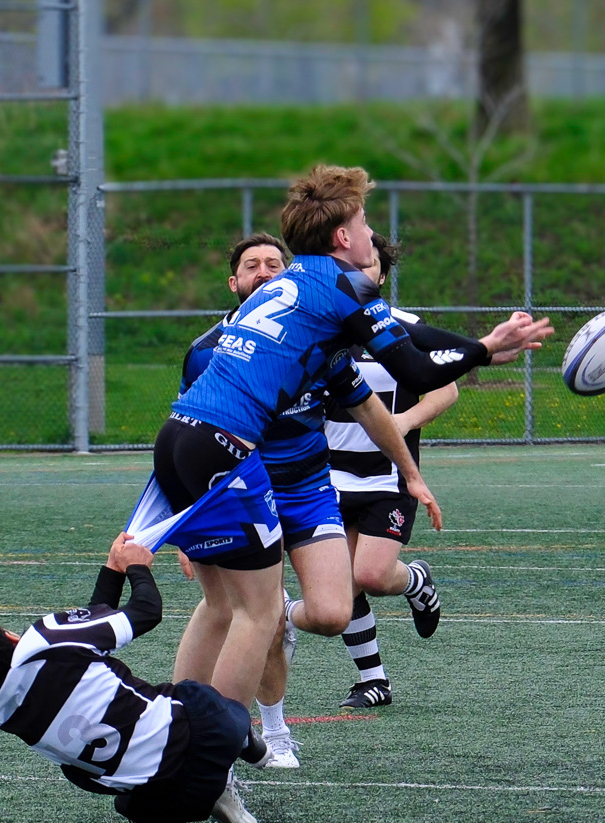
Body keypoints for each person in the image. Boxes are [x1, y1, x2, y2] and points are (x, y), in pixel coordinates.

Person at [157, 165, 547, 729]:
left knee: (236, 606)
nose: (370, 234)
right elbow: (412, 362)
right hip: (232, 451)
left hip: (183, 439)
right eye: (364, 221)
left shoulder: (292, 296)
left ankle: (174, 738)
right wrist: (484, 348)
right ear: (343, 236)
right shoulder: (343, 286)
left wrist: (411, 470)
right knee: (258, 612)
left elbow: (376, 387)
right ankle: (211, 757)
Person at [0, 532, 270, 823]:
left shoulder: (9, 719)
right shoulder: (39, 642)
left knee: (104, 789)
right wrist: (137, 568)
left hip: (171, 801)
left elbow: (94, 622)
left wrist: (112, 570)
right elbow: (146, 612)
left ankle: (213, 793)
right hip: (212, 735)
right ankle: (246, 744)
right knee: (188, 692)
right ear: (10, 637)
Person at [324, 233, 462, 708]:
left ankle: (416, 581)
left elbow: (447, 388)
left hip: (389, 478)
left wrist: (400, 422)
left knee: (373, 576)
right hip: (330, 478)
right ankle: (373, 681)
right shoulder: (322, 324)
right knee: (342, 582)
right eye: (349, 266)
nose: (360, 274)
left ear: (381, 276)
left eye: (370, 267)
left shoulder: (400, 327)